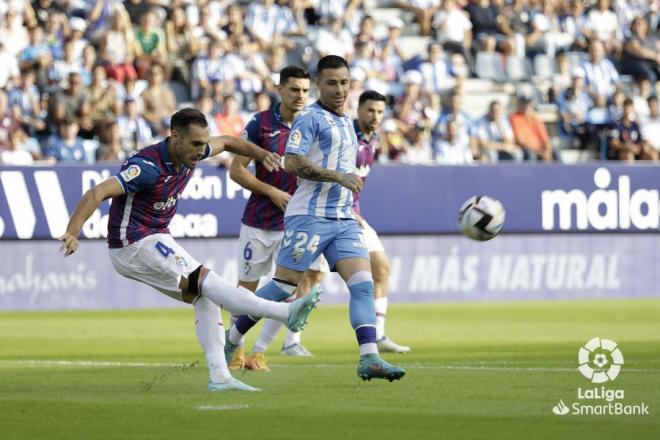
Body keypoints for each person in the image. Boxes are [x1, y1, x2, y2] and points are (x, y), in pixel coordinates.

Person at [57, 108, 320, 392]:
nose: (201, 150)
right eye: (195, 144)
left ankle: (219, 377)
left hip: (155, 237)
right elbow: (96, 192)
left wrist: (261, 155)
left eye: (203, 143)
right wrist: (73, 232)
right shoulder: (147, 166)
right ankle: (285, 313)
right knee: (207, 280)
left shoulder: (193, 150)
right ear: (175, 137)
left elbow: (229, 142)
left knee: (204, 297)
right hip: (132, 243)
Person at [225, 56, 406, 382]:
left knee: (363, 285)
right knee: (282, 288)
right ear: (320, 85)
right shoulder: (309, 118)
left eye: (344, 82)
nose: (339, 89)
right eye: (332, 82)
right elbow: (292, 163)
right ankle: (233, 339)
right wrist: (336, 177)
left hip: (342, 219)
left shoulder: (348, 123)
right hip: (308, 216)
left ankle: (369, 357)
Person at [228, 66, 328, 372]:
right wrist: (271, 191)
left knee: (287, 290)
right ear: (279, 89)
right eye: (294, 89)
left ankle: (259, 353)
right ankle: (236, 348)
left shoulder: (316, 123)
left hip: (296, 225)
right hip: (258, 222)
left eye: (304, 90)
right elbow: (236, 169)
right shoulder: (261, 123)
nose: (300, 96)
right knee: (244, 291)